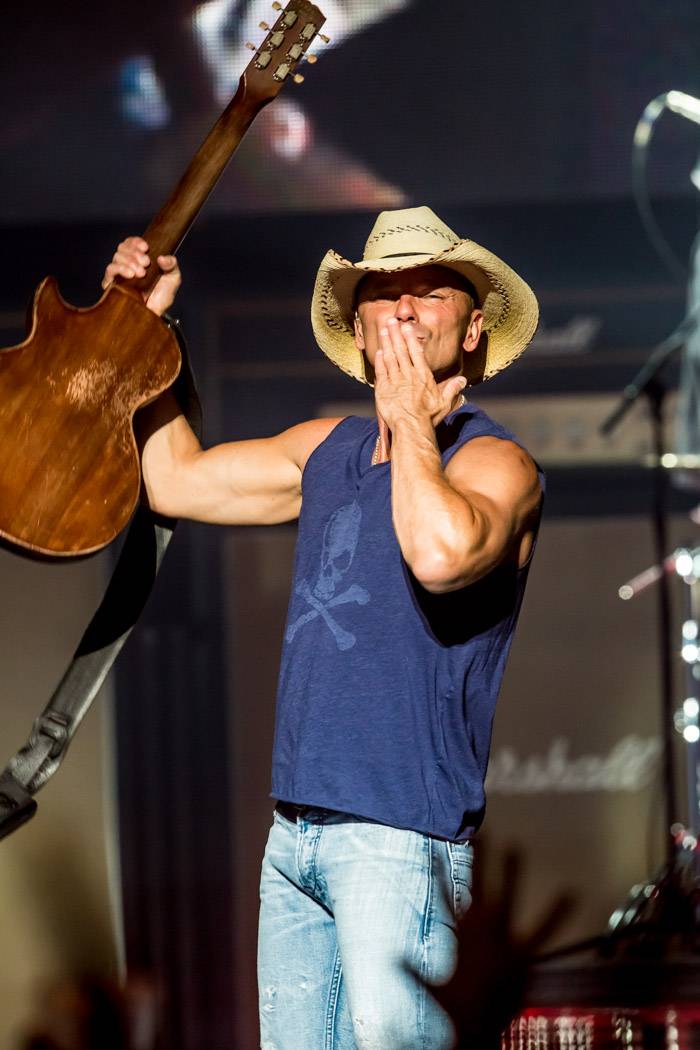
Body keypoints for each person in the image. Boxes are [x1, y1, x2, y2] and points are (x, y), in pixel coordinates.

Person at [103, 206, 543, 1050]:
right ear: (360, 327)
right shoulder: (325, 449)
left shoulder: (495, 461)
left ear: (473, 329)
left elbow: (441, 555)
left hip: (399, 839)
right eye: (382, 293)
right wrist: (143, 328)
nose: (403, 307)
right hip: (296, 836)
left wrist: (411, 421)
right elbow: (175, 481)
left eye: (430, 292)